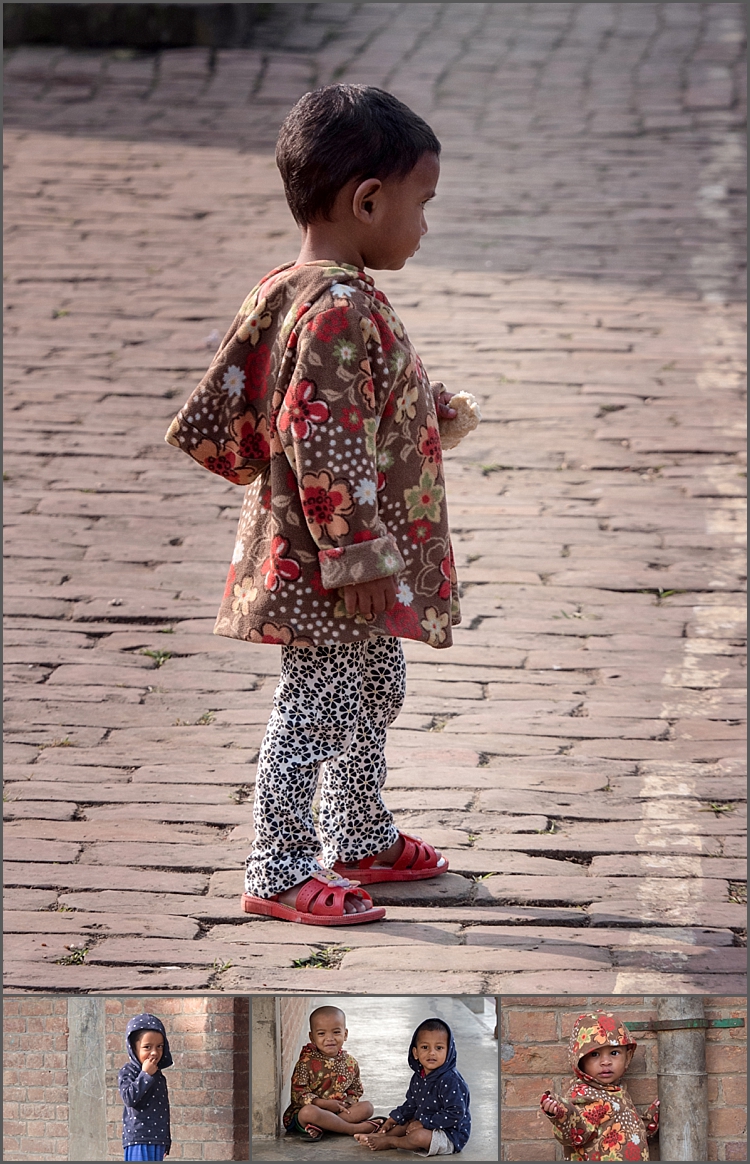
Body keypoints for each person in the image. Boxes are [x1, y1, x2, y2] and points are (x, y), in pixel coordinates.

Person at [166, 83, 468, 925]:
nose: (425, 225)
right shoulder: (338, 305)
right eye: (422, 204)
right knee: (316, 708)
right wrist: (357, 554)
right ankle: (279, 864)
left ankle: (358, 831)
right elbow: (321, 433)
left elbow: (333, 402)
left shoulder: (299, 287)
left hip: (331, 557)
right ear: (367, 201)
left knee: (374, 686)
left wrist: (424, 410)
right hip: (332, 564)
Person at [539, 1012, 660, 1161]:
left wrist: (653, 1117)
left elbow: (631, 1131)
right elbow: (575, 1132)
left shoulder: (617, 1092)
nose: (605, 1062)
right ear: (579, 1060)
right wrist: (562, 1114)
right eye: (595, 1054)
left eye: (614, 1053)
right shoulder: (584, 1096)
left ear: (627, 1057)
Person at [355, 1017, 471, 1155]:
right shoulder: (419, 1077)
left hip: (449, 1134)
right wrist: (393, 1119)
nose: (432, 1052)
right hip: (425, 1123)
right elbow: (412, 1104)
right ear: (415, 1053)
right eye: (425, 1047)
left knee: (418, 1137)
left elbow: (455, 1114)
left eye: (439, 1048)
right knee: (405, 1122)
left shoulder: (451, 1080)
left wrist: (423, 1123)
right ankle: (382, 1135)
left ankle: (391, 1142)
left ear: (449, 1051)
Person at [283, 1005, 385, 1141]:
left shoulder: (350, 1062)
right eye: (321, 1034)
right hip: (314, 1111)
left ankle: (325, 1127)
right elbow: (298, 1094)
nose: (329, 1038)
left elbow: (355, 1089)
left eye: (336, 1032)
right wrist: (323, 1104)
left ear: (345, 1034)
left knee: (367, 1107)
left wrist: (347, 1103)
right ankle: (352, 1129)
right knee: (307, 1113)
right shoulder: (306, 1062)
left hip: (338, 1111)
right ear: (312, 1037)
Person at [118, 1013, 172, 1161]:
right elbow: (129, 1098)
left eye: (159, 1046)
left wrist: (166, 1140)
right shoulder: (129, 1071)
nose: (154, 1052)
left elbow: (163, 1111)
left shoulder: (159, 1076)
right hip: (138, 1139)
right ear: (133, 1049)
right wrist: (145, 1075)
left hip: (158, 1139)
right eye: (147, 1047)